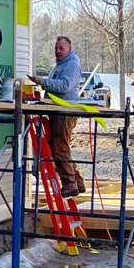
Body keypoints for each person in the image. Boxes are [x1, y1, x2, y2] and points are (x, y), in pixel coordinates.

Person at [36, 35, 86, 197]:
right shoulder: (61, 65)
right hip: (58, 111)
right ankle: (77, 181)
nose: (57, 51)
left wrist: (43, 82)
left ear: (69, 49)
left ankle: (70, 184)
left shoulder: (71, 65)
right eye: (56, 48)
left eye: (61, 48)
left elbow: (65, 86)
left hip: (65, 111)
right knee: (61, 147)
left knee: (60, 148)